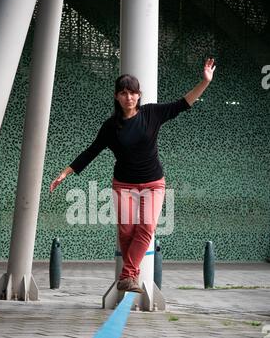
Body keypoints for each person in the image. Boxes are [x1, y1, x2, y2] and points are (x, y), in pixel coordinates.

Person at [50, 58, 216, 293]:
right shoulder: (111, 126)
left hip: (153, 183)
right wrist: (65, 173)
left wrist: (205, 81)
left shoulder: (152, 114)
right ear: (117, 97)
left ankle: (127, 275)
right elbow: (92, 151)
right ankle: (129, 277)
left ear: (139, 95)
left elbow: (184, 103)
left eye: (133, 93)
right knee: (126, 231)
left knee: (147, 226)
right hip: (124, 184)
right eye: (124, 93)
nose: (129, 97)